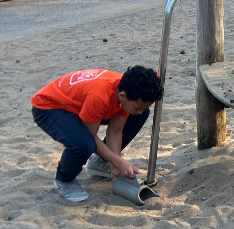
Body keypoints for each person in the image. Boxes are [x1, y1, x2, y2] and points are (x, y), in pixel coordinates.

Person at [31, 66, 163, 203]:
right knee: (83, 143)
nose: (140, 111)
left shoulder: (126, 91)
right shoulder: (99, 96)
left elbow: (115, 131)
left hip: (79, 105)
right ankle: (64, 181)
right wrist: (118, 162)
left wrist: (115, 162)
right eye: (138, 107)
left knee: (138, 116)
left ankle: (99, 163)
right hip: (48, 107)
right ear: (122, 96)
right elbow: (91, 137)